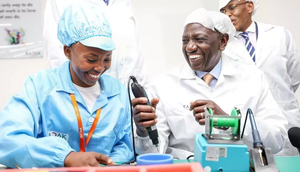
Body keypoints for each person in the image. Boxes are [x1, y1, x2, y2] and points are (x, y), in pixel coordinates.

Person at [132, 8, 288, 160]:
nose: (190, 47)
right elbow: (152, 154)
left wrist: (231, 123)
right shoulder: (163, 85)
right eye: (185, 41)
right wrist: (143, 133)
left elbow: (277, 140)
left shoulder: (253, 79)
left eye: (199, 39)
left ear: (223, 41)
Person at [0, 3, 133, 168]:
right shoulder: (39, 87)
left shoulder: (118, 93)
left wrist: (109, 164)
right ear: (67, 52)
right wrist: (64, 157)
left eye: (107, 58)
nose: (100, 67)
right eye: (91, 59)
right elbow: (7, 139)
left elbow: (126, 146)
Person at [218, 0, 300, 156]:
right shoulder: (223, 44)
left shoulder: (279, 35)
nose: (227, 13)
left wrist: (276, 92)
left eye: (231, 7)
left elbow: (294, 76)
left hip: (285, 116)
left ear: (249, 6)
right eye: (223, 10)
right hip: (249, 123)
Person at [43, 0, 148, 86]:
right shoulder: (59, 2)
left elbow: (135, 51)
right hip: (85, 101)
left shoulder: (125, 3)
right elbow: (57, 56)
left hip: (128, 98)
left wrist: (144, 92)